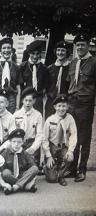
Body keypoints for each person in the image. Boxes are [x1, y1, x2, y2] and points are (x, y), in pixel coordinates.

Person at [67, 33, 96, 182]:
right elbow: (69, 83)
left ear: (88, 45)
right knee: (73, 135)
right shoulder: (73, 62)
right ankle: (72, 169)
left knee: (84, 137)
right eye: (77, 45)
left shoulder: (93, 62)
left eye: (82, 44)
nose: (80, 47)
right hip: (72, 103)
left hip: (85, 103)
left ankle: (82, 170)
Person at [0, 87, 43, 167]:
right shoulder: (16, 115)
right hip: (18, 143)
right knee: (16, 164)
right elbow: (12, 134)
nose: (28, 103)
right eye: (26, 100)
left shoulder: (38, 115)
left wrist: (33, 148)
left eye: (30, 101)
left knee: (32, 166)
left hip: (31, 143)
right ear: (22, 100)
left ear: (34, 101)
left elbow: (40, 135)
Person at [43, 95, 77, 186]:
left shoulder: (70, 118)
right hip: (52, 147)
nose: (61, 109)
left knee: (69, 157)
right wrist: (48, 156)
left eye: (64, 106)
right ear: (55, 107)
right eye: (59, 106)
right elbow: (45, 139)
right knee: (51, 179)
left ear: (67, 106)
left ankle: (61, 175)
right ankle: (46, 167)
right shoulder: (49, 120)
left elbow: (74, 134)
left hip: (63, 146)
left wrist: (70, 150)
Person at [0, 129, 39, 195]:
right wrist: (3, 183)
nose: (16, 144)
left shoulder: (25, 153)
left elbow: (33, 168)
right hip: (10, 176)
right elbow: (0, 171)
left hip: (21, 175)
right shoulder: (5, 153)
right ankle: (25, 186)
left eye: (19, 142)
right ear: (10, 142)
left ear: (23, 142)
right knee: (5, 172)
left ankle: (15, 187)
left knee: (35, 168)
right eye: (14, 142)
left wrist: (33, 179)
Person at [18, 40, 49, 115]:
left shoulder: (44, 68)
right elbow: (20, 86)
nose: (35, 56)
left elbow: (45, 87)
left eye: (37, 54)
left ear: (40, 54)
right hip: (25, 99)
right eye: (33, 53)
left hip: (38, 100)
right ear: (29, 53)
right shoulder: (22, 66)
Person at [46, 41, 70, 118]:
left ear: (67, 52)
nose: (60, 53)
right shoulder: (50, 68)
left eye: (63, 50)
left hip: (65, 102)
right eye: (58, 50)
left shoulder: (71, 68)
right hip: (51, 102)